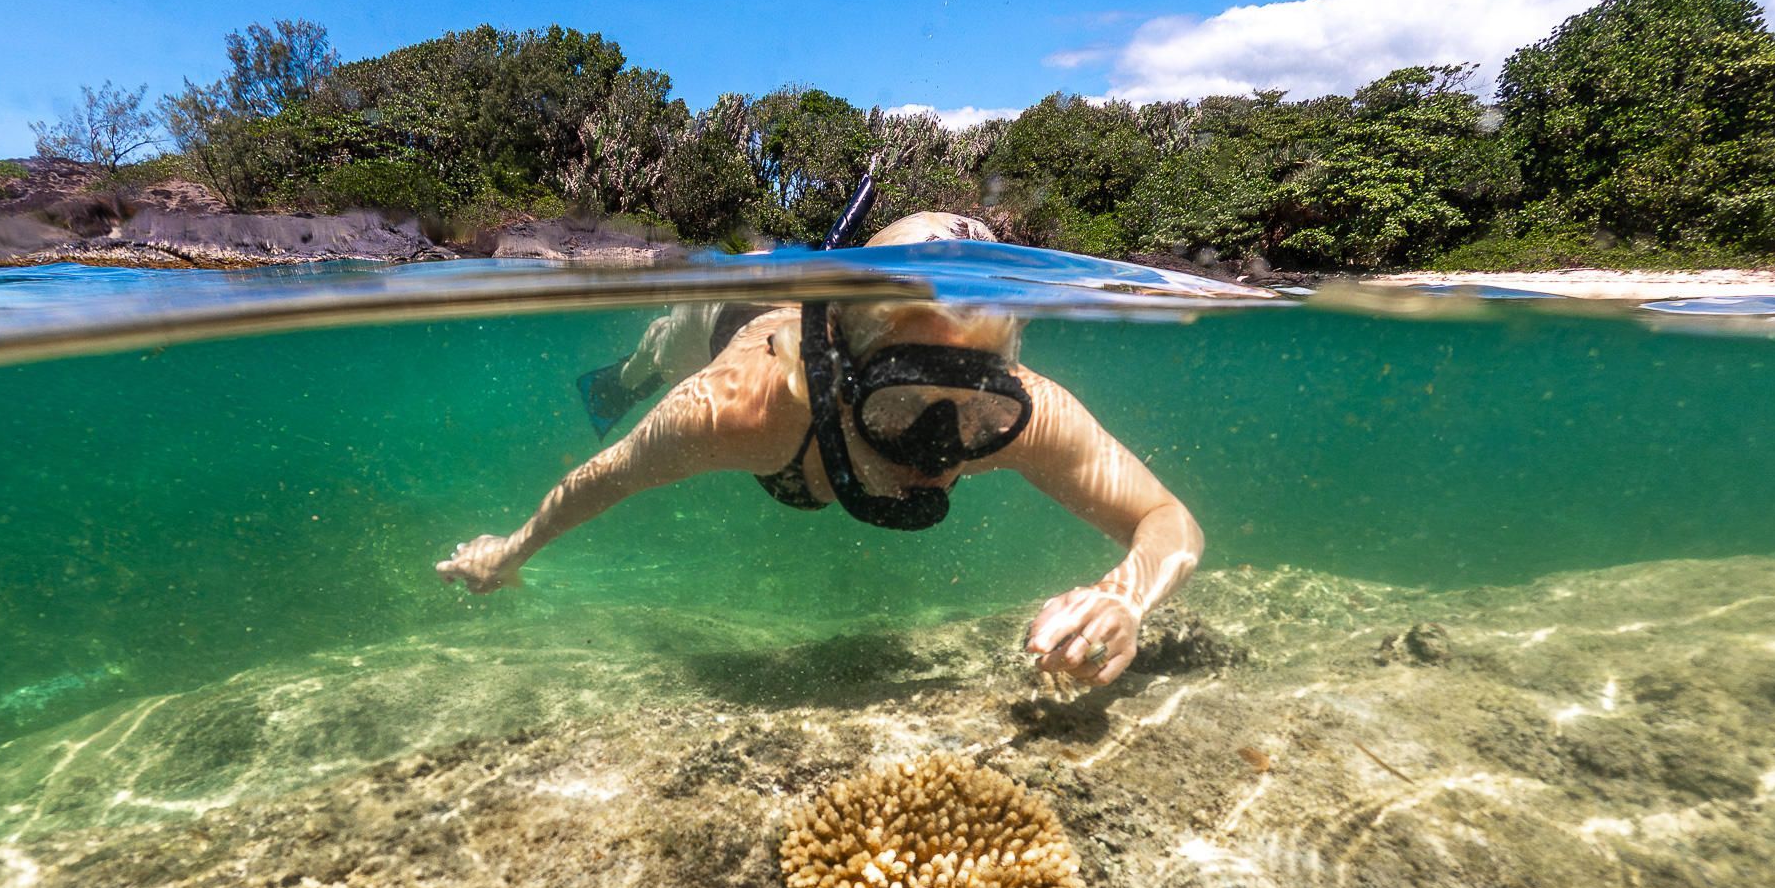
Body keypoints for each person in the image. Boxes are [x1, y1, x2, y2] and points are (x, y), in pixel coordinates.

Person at [437, 212, 1203, 688]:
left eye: (971, 413)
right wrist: (510, 551)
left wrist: (1124, 595)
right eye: (902, 405)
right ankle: (631, 372)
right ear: (831, 378)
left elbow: (1167, 519)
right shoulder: (740, 408)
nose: (937, 457)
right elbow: (608, 475)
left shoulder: (1026, 413)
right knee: (649, 360)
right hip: (726, 321)